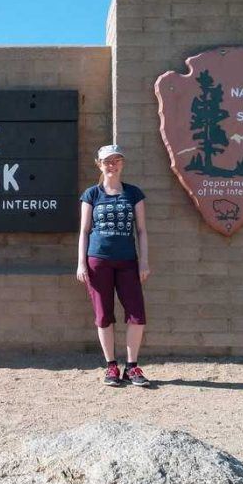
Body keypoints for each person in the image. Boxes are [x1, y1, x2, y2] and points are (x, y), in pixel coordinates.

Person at [76, 144, 151, 387]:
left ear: (122, 164)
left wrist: (144, 262)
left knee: (136, 314)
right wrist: (81, 264)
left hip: (128, 261)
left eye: (116, 160)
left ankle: (132, 367)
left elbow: (141, 230)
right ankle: (111, 366)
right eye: (107, 161)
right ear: (99, 164)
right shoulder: (92, 195)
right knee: (103, 315)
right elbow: (84, 231)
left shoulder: (133, 194)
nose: (112, 164)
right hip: (98, 261)